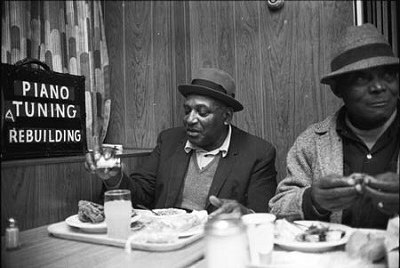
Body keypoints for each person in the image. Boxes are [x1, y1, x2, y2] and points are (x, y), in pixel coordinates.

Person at [85, 67, 277, 218]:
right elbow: (140, 193)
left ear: (227, 116)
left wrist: (242, 213)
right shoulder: (169, 140)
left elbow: (262, 215)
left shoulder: (257, 152)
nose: (190, 119)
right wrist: (114, 177)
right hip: (166, 242)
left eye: (202, 112)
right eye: (187, 111)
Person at [269, 23, 399, 229]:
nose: (378, 87)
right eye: (361, 78)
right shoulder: (311, 142)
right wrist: (312, 200)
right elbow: (277, 208)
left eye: (388, 75)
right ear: (338, 89)